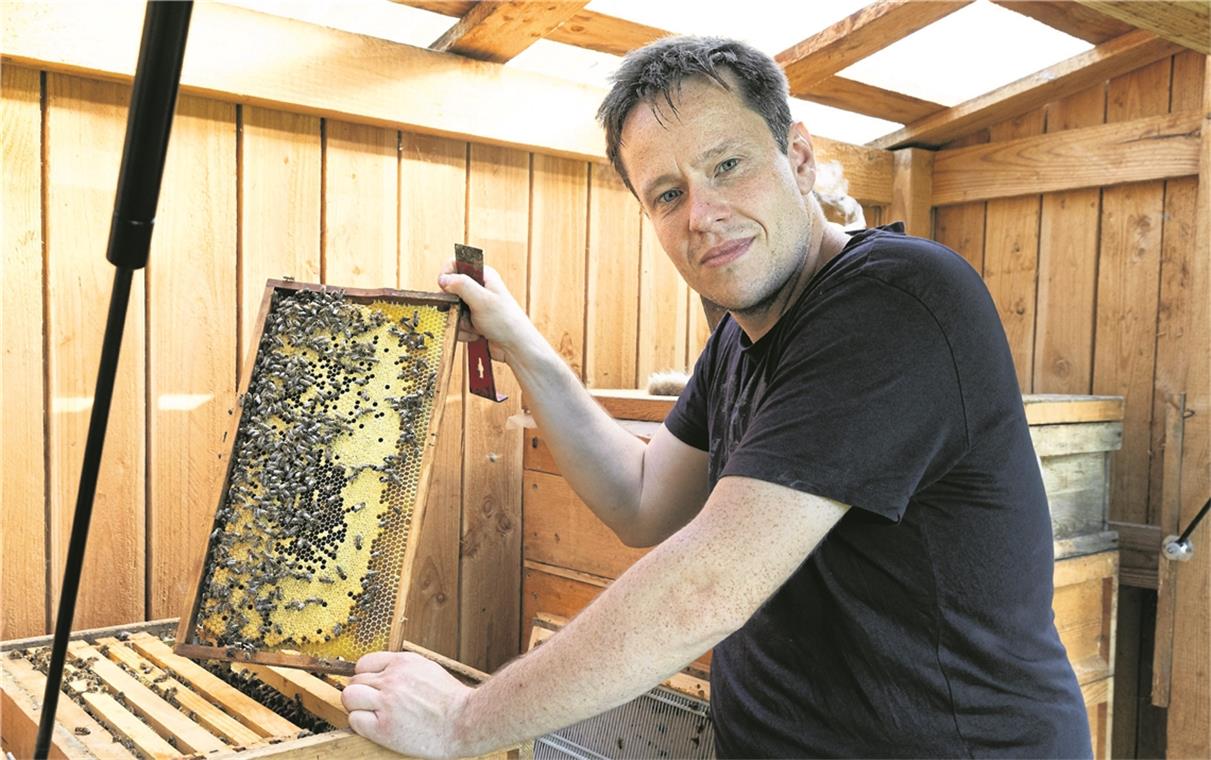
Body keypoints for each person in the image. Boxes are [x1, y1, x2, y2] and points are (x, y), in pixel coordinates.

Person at [340, 36, 1092, 758]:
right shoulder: (740, 340)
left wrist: (464, 721)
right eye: (668, 194)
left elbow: (704, 588)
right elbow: (641, 499)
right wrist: (523, 349)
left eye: (726, 165)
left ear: (797, 156)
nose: (701, 214)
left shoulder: (895, 300)